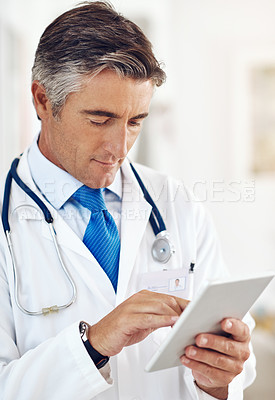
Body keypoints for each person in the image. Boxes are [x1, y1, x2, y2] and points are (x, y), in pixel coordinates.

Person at [0, 2, 255, 399]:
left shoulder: (176, 204)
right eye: (100, 119)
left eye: (135, 121)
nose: (119, 148)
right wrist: (94, 344)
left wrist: (218, 377)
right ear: (43, 101)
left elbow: (233, 364)